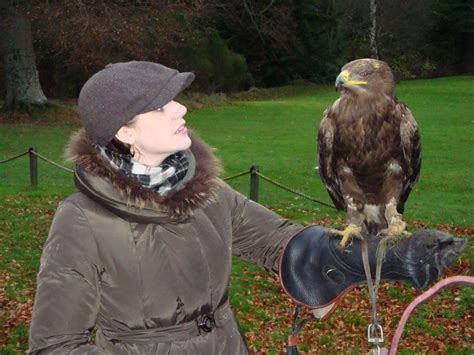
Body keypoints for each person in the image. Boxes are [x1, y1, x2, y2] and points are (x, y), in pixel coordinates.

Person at [28, 61, 466, 354]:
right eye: (162, 106)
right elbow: (55, 344)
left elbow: (281, 243)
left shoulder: (207, 191)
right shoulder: (82, 220)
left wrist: (376, 257)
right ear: (125, 131)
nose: (182, 107)